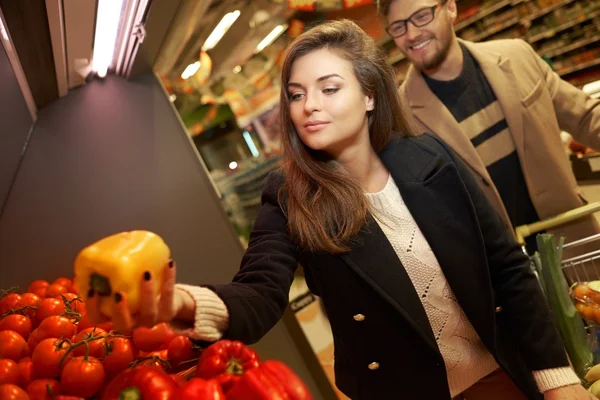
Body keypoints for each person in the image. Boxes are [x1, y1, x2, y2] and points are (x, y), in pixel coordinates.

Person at [86, 20, 592, 400]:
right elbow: (260, 294)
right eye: (297, 95)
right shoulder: (289, 194)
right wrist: (181, 303)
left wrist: (557, 379)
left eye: (329, 89)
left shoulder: (429, 158)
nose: (309, 106)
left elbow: (506, 269)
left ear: (370, 95)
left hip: (503, 375)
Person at [377, 0, 600, 253]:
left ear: (450, 7)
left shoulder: (517, 57)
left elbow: (585, 117)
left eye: (421, 16)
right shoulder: (401, 119)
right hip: (500, 276)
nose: (412, 34)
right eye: (398, 26)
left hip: (577, 245)